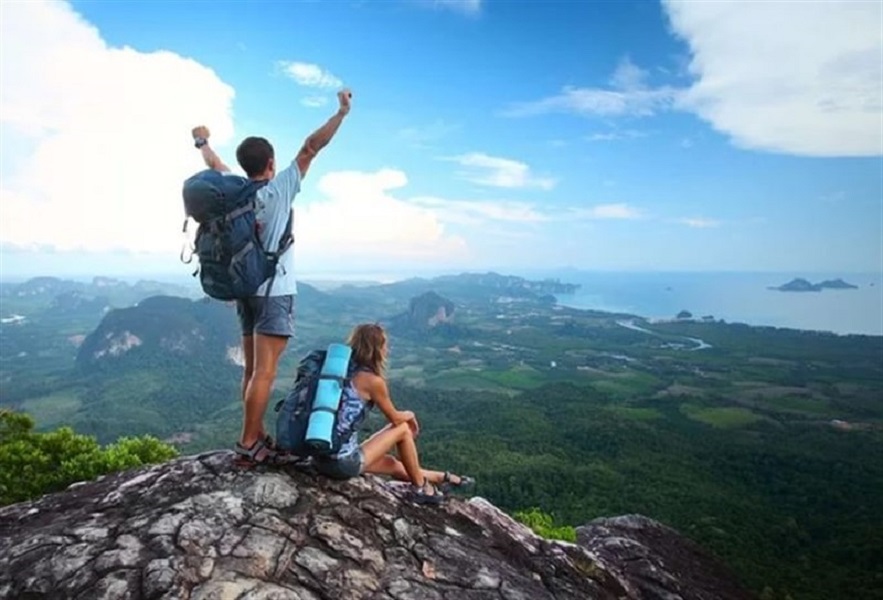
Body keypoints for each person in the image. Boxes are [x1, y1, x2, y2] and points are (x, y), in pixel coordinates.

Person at [190, 88, 353, 467]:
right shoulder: (279, 189)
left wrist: (202, 142)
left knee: (251, 370)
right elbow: (312, 146)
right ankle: (249, 441)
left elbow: (215, 167)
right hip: (274, 291)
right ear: (271, 162)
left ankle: (255, 431)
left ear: (244, 165)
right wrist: (341, 113)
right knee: (265, 371)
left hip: (243, 290)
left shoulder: (237, 194)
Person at [313, 323, 474, 504]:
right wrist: (411, 415)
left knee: (391, 464)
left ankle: (442, 478)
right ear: (377, 348)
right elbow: (395, 418)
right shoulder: (372, 381)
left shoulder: (337, 372)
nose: (387, 349)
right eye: (385, 345)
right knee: (403, 429)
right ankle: (422, 489)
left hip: (319, 458)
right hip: (342, 463)